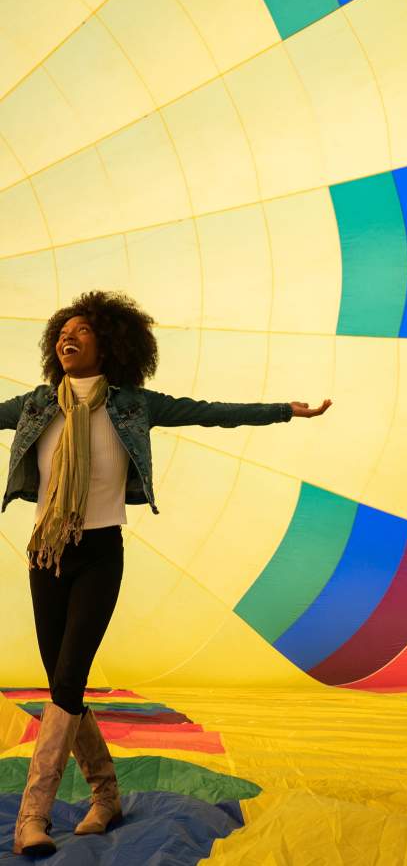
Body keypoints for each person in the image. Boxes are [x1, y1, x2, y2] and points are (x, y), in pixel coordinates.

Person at [0, 290, 332, 857]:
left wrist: (284, 410)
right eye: (62, 330)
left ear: (110, 343)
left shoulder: (133, 406)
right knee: (64, 681)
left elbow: (211, 411)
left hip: (100, 554)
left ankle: (33, 817)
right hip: (47, 553)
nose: (68, 336)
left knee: (67, 677)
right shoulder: (36, 404)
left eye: (82, 329)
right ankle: (106, 798)